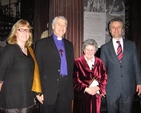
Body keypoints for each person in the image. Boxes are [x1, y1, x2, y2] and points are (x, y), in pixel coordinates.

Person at [0, 19, 42, 113]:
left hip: (27, 101)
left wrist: (37, 93)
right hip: (12, 104)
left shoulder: (30, 51)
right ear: (15, 32)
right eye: (21, 29)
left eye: (27, 30)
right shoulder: (10, 50)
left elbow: (32, 75)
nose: (25, 32)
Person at [100, 18, 141, 113]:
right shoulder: (105, 48)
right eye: (113, 27)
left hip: (128, 87)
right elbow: (102, 70)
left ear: (122, 29)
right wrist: (102, 86)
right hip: (111, 88)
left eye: (119, 27)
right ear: (110, 31)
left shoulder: (132, 45)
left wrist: (139, 82)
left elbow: (136, 65)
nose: (116, 29)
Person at [35, 16, 74, 113]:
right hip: (48, 88)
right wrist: (38, 91)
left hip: (65, 89)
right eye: (58, 24)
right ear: (52, 26)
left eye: (64, 24)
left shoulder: (69, 45)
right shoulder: (41, 44)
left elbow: (71, 68)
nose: (62, 27)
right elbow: (36, 69)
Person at [73, 39, 107, 113]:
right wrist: (86, 89)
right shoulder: (77, 62)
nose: (90, 52)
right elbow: (75, 80)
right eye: (87, 49)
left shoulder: (99, 62)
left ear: (95, 51)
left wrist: (98, 88)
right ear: (83, 50)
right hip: (82, 96)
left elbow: (104, 77)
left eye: (92, 50)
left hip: (96, 96)